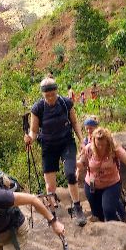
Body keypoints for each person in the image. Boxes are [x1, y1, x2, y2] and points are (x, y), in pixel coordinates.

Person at [24, 78, 87, 226]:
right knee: (50, 185)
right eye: (47, 96)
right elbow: (33, 131)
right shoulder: (37, 108)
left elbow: (75, 122)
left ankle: (77, 208)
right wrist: (30, 139)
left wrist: (81, 140)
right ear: (43, 95)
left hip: (66, 143)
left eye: (53, 94)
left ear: (57, 91)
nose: (51, 98)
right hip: (48, 146)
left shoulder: (65, 103)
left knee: (70, 174)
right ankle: (52, 214)